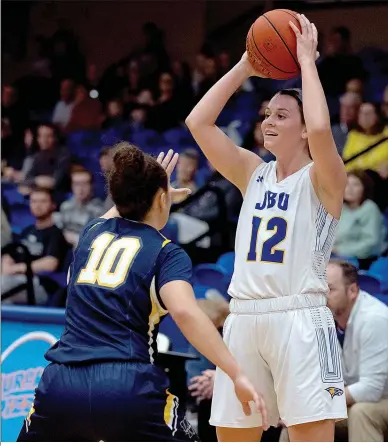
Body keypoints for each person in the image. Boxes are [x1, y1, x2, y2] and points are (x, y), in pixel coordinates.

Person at [17, 145, 267, 442]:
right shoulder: (165, 252)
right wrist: (235, 372)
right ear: (161, 198)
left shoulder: (91, 233)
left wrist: (152, 190)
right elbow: (186, 312)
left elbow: (117, 211)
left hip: (61, 383)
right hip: (125, 384)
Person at [186, 13, 348, 442]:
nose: (269, 121)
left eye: (281, 115)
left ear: (302, 131)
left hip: (301, 319)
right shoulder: (252, 172)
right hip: (243, 318)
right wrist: (245, 65)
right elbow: (198, 123)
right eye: (265, 114)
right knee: (232, 438)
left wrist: (306, 62)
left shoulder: (324, 178)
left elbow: (319, 125)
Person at [280, 260, 388, 442]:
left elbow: (371, 389)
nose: (322, 296)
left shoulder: (374, 319)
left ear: (352, 291)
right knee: (299, 420)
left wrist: (315, 402)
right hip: (353, 399)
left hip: (380, 400)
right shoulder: (323, 317)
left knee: (362, 413)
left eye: (329, 289)